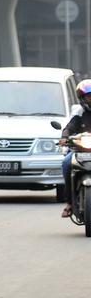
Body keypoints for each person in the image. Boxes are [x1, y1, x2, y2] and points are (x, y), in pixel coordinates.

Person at [60, 80, 91, 217]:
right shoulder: (79, 113)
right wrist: (64, 137)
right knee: (66, 163)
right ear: (82, 98)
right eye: (89, 96)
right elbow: (69, 127)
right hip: (81, 150)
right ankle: (70, 203)